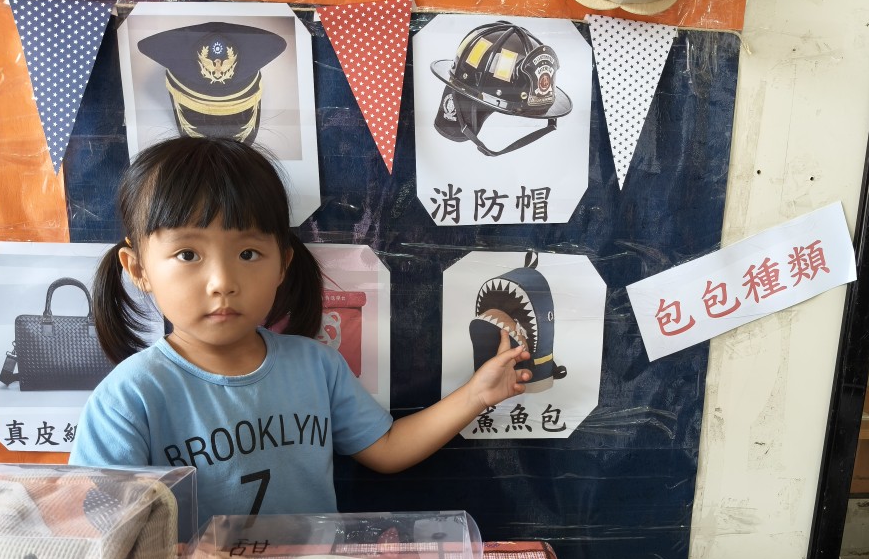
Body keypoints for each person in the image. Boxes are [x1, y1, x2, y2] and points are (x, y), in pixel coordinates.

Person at [69, 136, 531, 536]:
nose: (222, 281)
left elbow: (387, 449)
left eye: (248, 253)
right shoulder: (129, 397)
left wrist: (477, 395)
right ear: (138, 269)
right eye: (188, 254)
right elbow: (100, 526)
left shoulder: (317, 366)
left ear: (283, 264)